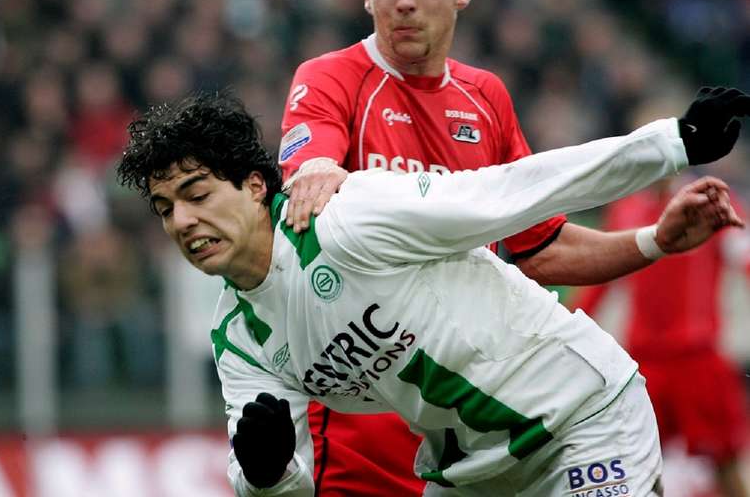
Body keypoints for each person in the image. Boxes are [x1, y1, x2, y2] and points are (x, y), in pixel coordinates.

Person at [277, 0, 736, 496]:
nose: (404, 1)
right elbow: (312, 166)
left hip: (484, 421)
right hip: (366, 423)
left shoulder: (485, 98)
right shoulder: (330, 78)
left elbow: (539, 247)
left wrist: (654, 242)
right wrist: (315, 165)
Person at [117, 86, 750, 496]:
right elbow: (283, 485)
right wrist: (263, 472)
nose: (183, 222)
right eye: (166, 209)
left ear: (256, 186)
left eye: (198, 195)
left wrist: (671, 144)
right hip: (469, 474)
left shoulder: (348, 218)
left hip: (580, 421)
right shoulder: (239, 339)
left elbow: (512, 193)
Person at [570, 178, 750, 497]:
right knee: (639, 469)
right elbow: (602, 278)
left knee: (725, 464)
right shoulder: (625, 210)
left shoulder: (713, 202)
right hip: (644, 363)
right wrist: (569, 327)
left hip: (697, 358)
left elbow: (745, 259)